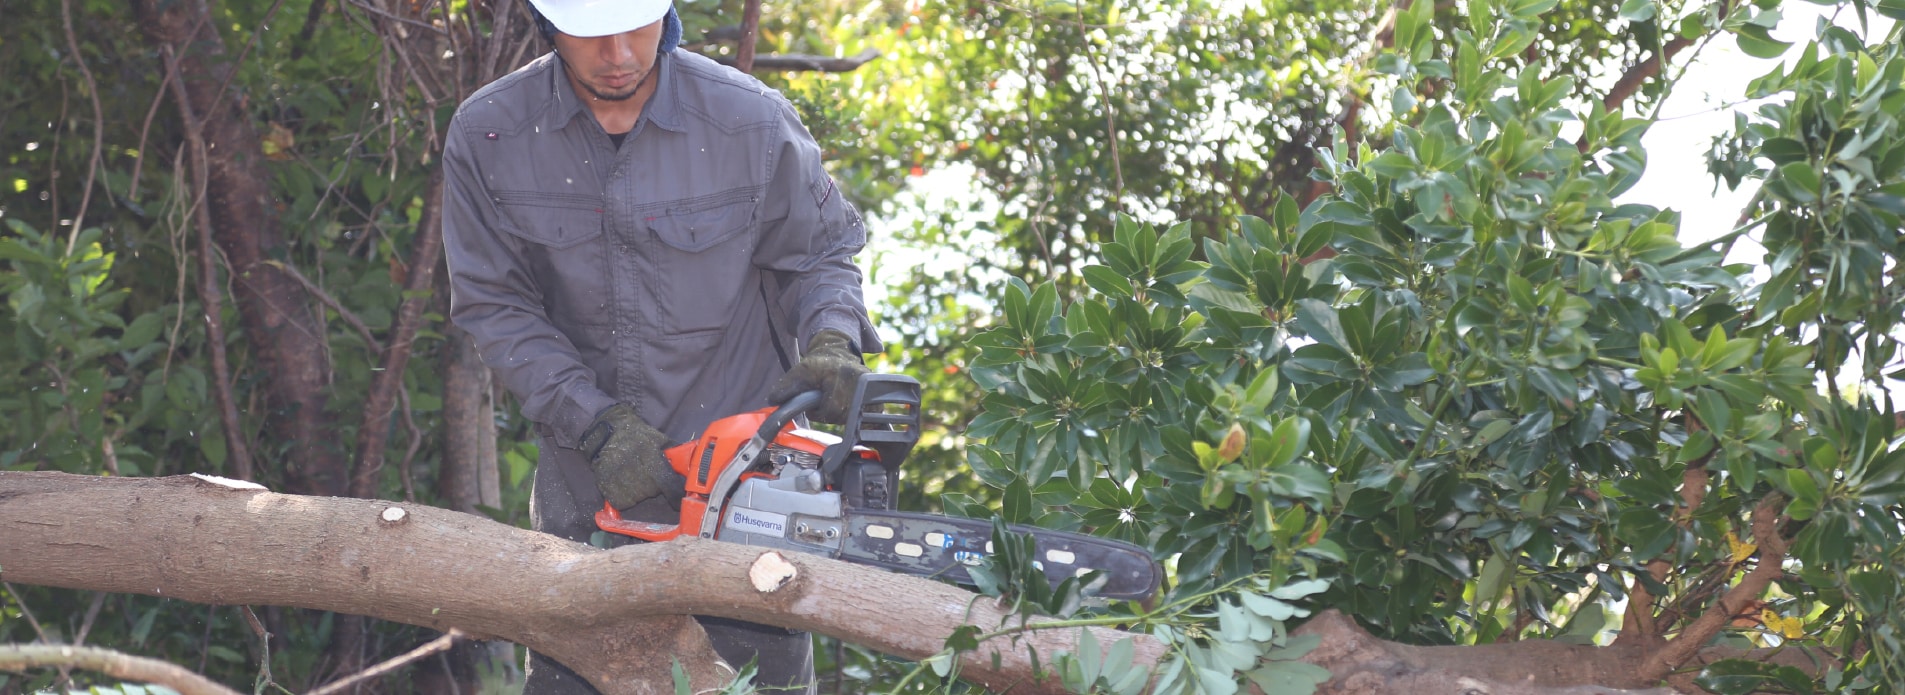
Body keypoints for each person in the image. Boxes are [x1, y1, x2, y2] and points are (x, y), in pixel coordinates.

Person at [440, 0, 880, 690]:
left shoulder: (747, 121)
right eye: (592, 34)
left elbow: (820, 255)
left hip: (745, 487)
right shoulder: (490, 133)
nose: (617, 53)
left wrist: (831, 337)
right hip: (588, 491)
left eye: (635, 26)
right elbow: (496, 304)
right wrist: (594, 422)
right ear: (547, 23)